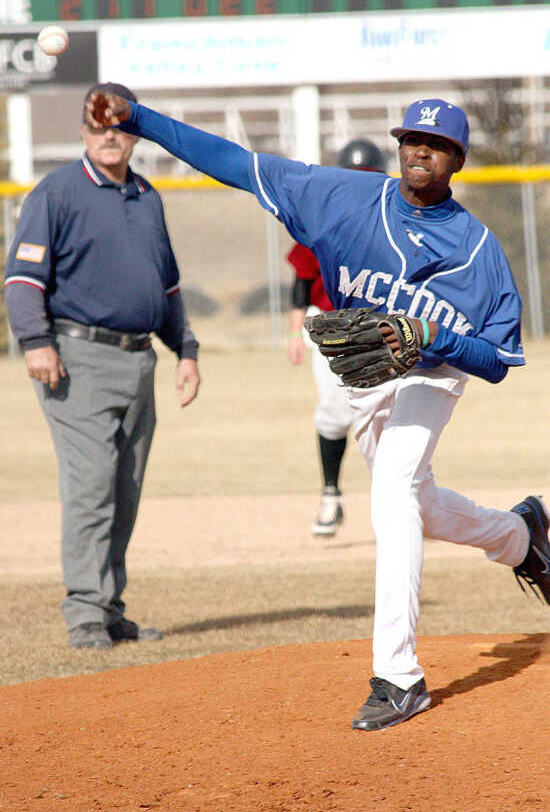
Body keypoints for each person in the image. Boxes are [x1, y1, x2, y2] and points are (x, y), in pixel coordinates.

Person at [85, 91, 550, 731]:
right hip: (364, 378)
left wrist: (432, 339)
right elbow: (232, 160)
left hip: (431, 377)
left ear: (458, 159)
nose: (422, 149)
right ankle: (523, 537)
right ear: (399, 145)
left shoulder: (478, 252)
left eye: (438, 144)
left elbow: (496, 362)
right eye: (413, 138)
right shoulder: (342, 199)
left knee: (391, 493)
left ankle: (399, 676)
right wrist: (139, 120)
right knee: (418, 505)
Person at [4, 82, 201, 650]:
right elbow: (21, 280)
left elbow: (165, 286)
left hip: (138, 360)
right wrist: (36, 341)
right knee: (91, 485)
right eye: (97, 126)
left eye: (119, 125)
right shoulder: (57, 192)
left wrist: (184, 350)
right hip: (77, 358)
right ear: (82, 133)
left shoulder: (146, 194)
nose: (109, 135)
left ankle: (111, 609)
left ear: (133, 133)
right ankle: (86, 613)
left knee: (125, 487)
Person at [286, 140, 387, 537]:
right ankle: (331, 496)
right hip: (328, 326)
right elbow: (302, 278)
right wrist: (295, 330)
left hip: (381, 326)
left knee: (384, 414)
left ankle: (397, 499)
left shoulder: (392, 219)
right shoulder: (322, 218)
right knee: (333, 412)